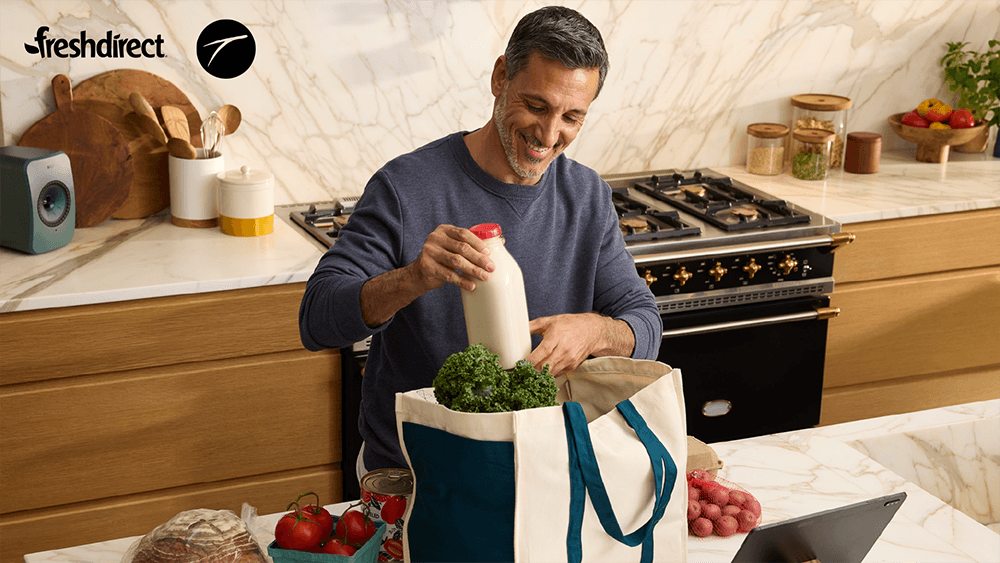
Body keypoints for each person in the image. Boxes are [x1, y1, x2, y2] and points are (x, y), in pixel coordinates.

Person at [299, 5, 662, 475]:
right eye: (536, 106)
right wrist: (412, 279)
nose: (549, 134)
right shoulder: (406, 187)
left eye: (572, 116)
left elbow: (645, 325)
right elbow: (318, 320)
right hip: (414, 476)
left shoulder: (586, 195)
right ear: (500, 77)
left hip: (540, 467)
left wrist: (596, 331)